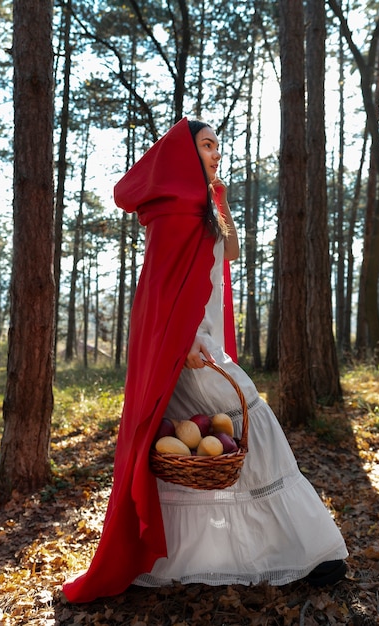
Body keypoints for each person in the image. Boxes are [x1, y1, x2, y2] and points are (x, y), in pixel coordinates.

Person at [62, 117, 347, 604]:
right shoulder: (174, 210)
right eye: (207, 145)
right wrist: (188, 338)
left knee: (225, 439)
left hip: (201, 342)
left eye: (219, 145)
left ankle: (276, 552)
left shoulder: (204, 203)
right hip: (190, 346)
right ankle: (310, 550)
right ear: (184, 154)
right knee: (250, 427)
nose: (217, 152)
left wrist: (225, 202)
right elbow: (169, 289)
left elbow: (228, 253)